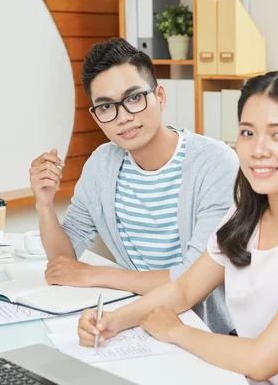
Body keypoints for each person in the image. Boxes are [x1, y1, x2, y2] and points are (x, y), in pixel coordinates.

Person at [77, 70, 278, 384]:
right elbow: (184, 289)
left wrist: (176, 330)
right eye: (248, 133)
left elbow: (262, 360)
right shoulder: (247, 213)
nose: (258, 149)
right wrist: (112, 321)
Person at [29, 38, 238, 334]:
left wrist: (95, 275)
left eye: (134, 98)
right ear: (96, 117)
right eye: (106, 107)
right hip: (135, 320)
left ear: (160, 97)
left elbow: (190, 280)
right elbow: (64, 264)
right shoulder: (102, 164)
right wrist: (44, 204)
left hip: (207, 330)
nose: (123, 117)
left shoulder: (216, 164)